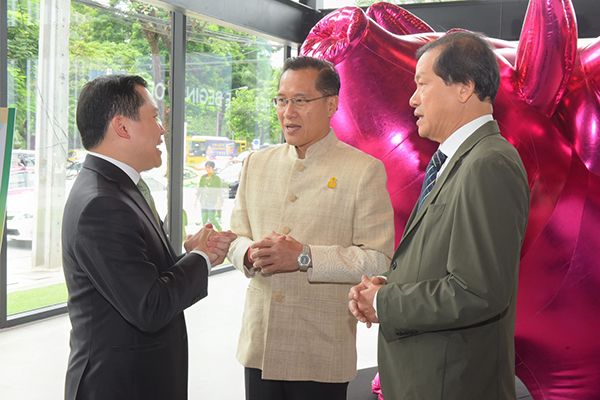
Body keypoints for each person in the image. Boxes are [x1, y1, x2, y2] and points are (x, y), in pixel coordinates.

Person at [349, 31, 530, 399]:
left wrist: (385, 302)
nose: (413, 99)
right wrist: (389, 285)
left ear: (464, 87)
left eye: (422, 84)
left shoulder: (488, 164)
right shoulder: (460, 159)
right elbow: (443, 263)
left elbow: (477, 291)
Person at [227, 56, 395, 400]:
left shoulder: (363, 170)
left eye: (301, 100)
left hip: (320, 351)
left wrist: (304, 257)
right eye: (281, 100)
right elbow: (235, 236)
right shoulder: (257, 163)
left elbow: (378, 259)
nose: (288, 112)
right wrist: (247, 253)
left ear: (331, 104)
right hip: (260, 346)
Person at [62, 74, 236, 400]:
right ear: (122, 127)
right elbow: (149, 305)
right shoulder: (103, 203)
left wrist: (193, 255)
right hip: (121, 386)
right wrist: (200, 258)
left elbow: (143, 277)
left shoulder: (119, 187)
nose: (162, 129)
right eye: (154, 117)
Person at [197, 160, 224, 230]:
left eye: (209, 167)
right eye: (206, 167)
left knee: (212, 218)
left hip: (212, 201)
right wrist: (196, 199)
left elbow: (219, 191)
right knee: (204, 219)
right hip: (203, 201)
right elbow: (200, 188)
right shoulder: (203, 177)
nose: (207, 169)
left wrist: (219, 201)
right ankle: (206, 233)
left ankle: (220, 230)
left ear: (213, 168)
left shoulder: (217, 178)